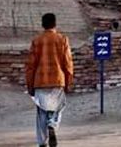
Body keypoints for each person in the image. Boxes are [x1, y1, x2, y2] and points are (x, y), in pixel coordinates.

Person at [26, 13, 74, 147]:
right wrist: (68, 81)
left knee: (41, 112)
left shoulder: (36, 41)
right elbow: (68, 63)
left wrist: (30, 85)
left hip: (40, 81)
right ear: (55, 24)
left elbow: (30, 66)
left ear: (43, 25)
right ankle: (52, 125)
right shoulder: (62, 39)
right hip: (58, 80)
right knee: (57, 108)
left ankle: (42, 142)